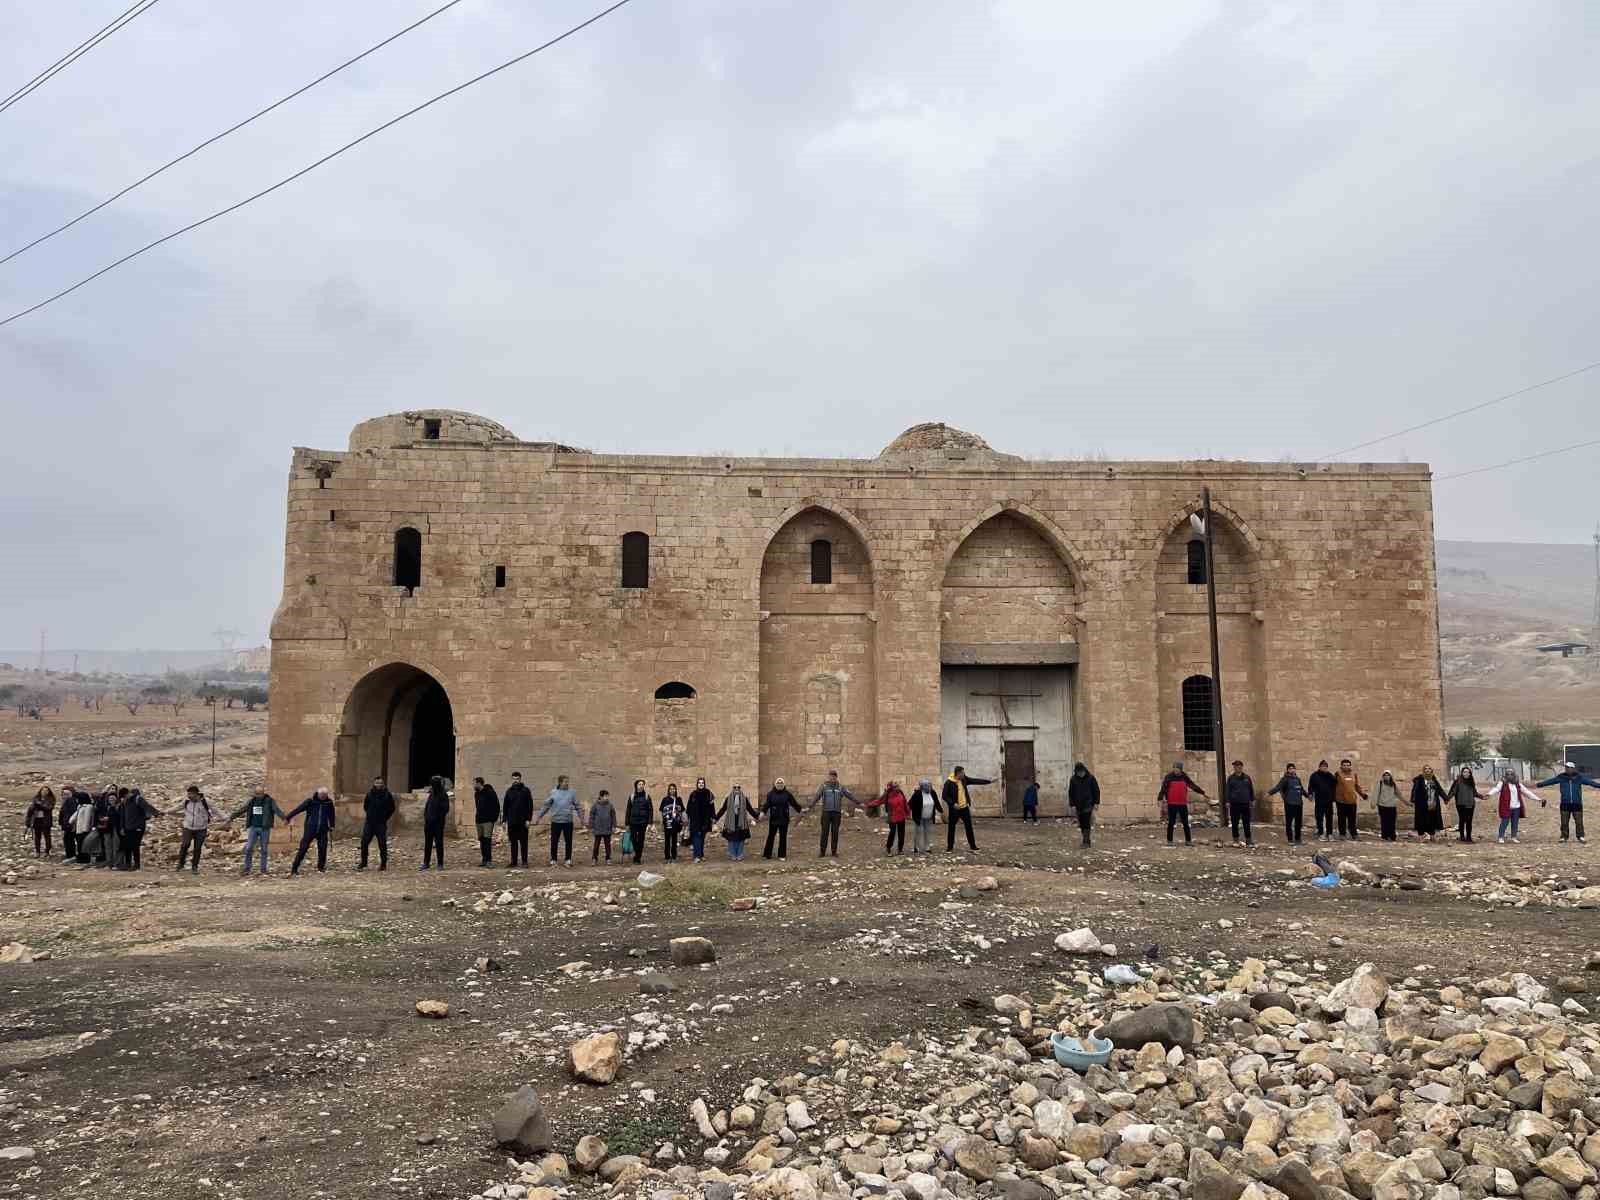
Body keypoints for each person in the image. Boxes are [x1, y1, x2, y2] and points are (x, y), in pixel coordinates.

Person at [229, 787, 288, 875]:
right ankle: (247, 868)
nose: (258, 796)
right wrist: (232, 816)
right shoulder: (252, 801)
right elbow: (243, 809)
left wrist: (284, 818)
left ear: (263, 793)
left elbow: (276, 810)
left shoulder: (269, 801)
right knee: (249, 848)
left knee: (264, 849)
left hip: (264, 828)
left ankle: (263, 869)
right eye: (257, 794)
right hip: (253, 827)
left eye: (260, 794)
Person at [1536, 762, 1597, 844]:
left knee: (1579, 821)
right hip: (1565, 803)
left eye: (1569, 767)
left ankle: (1580, 836)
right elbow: (1551, 781)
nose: (1567, 769)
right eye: (1566, 767)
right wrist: (1539, 785)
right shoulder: (1561, 777)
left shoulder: (1579, 778)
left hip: (1577, 803)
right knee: (1564, 822)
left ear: (1573, 768)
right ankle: (1564, 837)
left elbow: (1591, 783)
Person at [535, 774, 583, 867]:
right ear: (560, 782)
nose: (567, 783)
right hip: (556, 821)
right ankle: (553, 860)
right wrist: (539, 816)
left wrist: (581, 818)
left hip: (568, 821)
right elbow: (546, 806)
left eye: (567, 781)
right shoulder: (553, 792)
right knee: (554, 841)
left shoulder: (572, 793)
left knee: (568, 841)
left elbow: (578, 806)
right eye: (565, 782)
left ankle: (568, 860)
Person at [286, 787, 337, 875]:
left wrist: (332, 825)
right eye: (321, 795)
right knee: (303, 848)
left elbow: (331, 815)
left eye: (325, 795)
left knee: (323, 848)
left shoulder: (329, 803)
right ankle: (294, 868)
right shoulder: (310, 801)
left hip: (323, 829)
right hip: (310, 829)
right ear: (318, 794)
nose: (323, 796)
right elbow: (298, 809)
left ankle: (321, 867)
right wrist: (288, 817)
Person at [1158, 761, 1205, 846]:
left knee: (1185, 823)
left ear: (1181, 769)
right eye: (1174, 768)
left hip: (1182, 803)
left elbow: (1192, 785)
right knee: (1171, 822)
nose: (1175, 770)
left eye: (1177, 768)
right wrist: (1160, 798)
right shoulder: (1169, 777)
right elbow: (1163, 788)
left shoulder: (1184, 777)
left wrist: (1202, 792)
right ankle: (1169, 841)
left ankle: (1188, 841)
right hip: (1172, 803)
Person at [942, 766, 989, 853]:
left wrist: (988, 782)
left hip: (964, 808)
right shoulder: (948, 783)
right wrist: (952, 803)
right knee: (951, 828)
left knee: (969, 827)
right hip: (954, 809)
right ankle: (949, 847)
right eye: (962, 773)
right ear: (958, 773)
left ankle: (973, 846)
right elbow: (944, 796)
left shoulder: (963, 779)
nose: (964, 774)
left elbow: (974, 781)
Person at [813, 770, 856, 857]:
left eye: (834, 776)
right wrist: (810, 805)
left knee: (835, 832)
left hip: (836, 813)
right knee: (824, 832)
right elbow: (817, 796)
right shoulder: (824, 786)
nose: (832, 778)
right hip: (826, 812)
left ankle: (834, 851)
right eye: (831, 776)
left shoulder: (840, 787)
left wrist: (859, 802)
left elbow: (849, 795)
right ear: (829, 777)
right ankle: (822, 852)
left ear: (836, 777)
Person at [358, 776, 396, 870]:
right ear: (374, 784)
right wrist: (370, 815)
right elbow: (366, 806)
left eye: (380, 783)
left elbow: (392, 808)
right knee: (364, 843)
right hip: (369, 823)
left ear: (383, 784)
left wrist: (385, 817)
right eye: (377, 783)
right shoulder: (369, 794)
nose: (378, 785)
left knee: (382, 844)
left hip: (381, 824)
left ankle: (383, 864)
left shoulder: (387, 795)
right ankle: (364, 862)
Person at [121, 787, 163, 870]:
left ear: (128, 793)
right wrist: (123, 827)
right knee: (127, 846)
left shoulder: (138, 799)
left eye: (125, 796)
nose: (124, 798)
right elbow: (123, 815)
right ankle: (127, 864)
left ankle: (136, 865)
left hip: (138, 826)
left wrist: (156, 813)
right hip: (128, 827)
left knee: (135, 845)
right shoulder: (125, 802)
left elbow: (147, 806)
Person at [760, 778, 801, 860]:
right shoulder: (770, 794)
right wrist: (762, 812)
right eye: (778, 783)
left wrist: (800, 810)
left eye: (781, 783)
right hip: (774, 819)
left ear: (783, 784)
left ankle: (782, 855)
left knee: (783, 837)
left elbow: (794, 803)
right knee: (771, 836)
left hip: (784, 818)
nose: (779, 785)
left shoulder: (787, 794)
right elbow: (767, 805)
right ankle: (767, 854)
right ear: (775, 784)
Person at [175, 785, 214, 871]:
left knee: (197, 848)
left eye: (190, 794)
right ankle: (181, 864)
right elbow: (176, 808)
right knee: (185, 845)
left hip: (201, 829)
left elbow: (216, 810)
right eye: (188, 794)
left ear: (196, 793)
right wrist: (165, 812)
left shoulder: (205, 802)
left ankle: (194, 866)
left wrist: (227, 818)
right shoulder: (186, 801)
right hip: (188, 827)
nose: (189, 796)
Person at [1494, 770, 1539, 844]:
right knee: (1504, 822)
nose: (1509, 775)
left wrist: (1538, 799)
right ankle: (1501, 837)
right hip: (1507, 807)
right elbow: (1496, 789)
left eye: (1511, 774)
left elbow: (1527, 792)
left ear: (1514, 775)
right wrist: (1489, 794)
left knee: (1515, 823)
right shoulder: (1502, 783)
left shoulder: (1517, 784)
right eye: (1508, 774)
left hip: (1516, 807)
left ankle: (1514, 837)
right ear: (1505, 775)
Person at [716, 785, 757, 860]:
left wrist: (757, 816)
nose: (737, 789)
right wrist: (716, 818)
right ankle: (733, 854)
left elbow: (750, 809)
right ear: (733, 789)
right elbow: (723, 809)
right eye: (735, 787)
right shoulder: (728, 799)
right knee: (731, 838)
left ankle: (740, 854)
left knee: (741, 838)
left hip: (741, 821)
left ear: (740, 789)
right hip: (731, 821)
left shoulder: (744, 799)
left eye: (738, 787)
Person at [1267, 763, 1306, 844]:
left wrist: (1307, 796)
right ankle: (1290, 840)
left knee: (1298, 823)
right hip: (1289, 803)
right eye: (1290, 768)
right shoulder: (1285, 779)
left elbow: (1301, 789)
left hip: (1298, 803)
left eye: (1293, 768)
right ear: (1287, 770)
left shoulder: (1297, 779)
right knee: (1289, 822)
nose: (1292, 770)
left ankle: (1298, 839)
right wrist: (1269, 793)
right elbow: (1278, 787)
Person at [503, 771, 533, 869]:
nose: (515, 781)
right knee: (513, 842)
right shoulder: (509, 791)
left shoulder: (526, 791)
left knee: (524, 842)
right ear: (512, 779)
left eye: (517, 779)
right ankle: (514, 861)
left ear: (520, 779)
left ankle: (524, 861)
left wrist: (528, 819)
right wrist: (504, 820)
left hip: (523, 821)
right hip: (512, 821)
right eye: (514, 779)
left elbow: (530, 806)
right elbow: (505, 807)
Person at [1447, 766, 1484, 843]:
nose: (1466, 773)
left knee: (1469, 821)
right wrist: (1447, 799)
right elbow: (1453, 791)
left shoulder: (1471, 782)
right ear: (1462, 773)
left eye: (1468, 772)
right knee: (1462, 820)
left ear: (1470, 773)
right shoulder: (1458, 781)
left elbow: (1474, 793)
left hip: (1471, 804)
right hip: (1460, 804)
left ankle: (1469, 838)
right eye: (1464, 772)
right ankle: (1462, 837)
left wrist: (1482, 797)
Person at [420, 776, 450, 870]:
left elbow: (445, 809)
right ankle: (426, 863)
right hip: (429, 823)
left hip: (438, 824)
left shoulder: (443, 795)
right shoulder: (432, 794)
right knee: (428, 844)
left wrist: (437, 817)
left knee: (439, 844)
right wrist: (426, 817)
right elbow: (427, 807)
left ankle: (440, 864)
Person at [1409, 767, 1447, 841]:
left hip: (1432, 803)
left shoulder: (1434, 780)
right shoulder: (1419, 780)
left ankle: (1432, 835)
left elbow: (1440, 790)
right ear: (1423, 772)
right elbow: (1414, 790)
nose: (1427, 770)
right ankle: (1421, 836)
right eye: (1426, 769)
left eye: (1429, 769)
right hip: (1422, 804)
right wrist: (1413, 800)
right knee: (1421, 820)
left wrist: (1445, 798)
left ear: (1431, 772)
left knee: (1432, 820)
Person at [1067, 762, 1100, 847]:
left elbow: (1096, 790)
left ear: (1085, 770)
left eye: (1082, 772)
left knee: (1086, 822)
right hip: (1078, 805)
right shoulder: (1073, 779)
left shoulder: (1091, 778)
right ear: (1076, 772)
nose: (1081, 774)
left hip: (1088, 803)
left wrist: (1096, 802)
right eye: (1079, 772)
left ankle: (1086, 842)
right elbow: (1071, 792)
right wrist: (1072, 804)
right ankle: (1085, 839)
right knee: (1081, 823)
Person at [1225, 760, 1255, 847]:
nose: (1236, 768)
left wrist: (1252, 800)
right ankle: (1236, 840)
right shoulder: (1231, 778)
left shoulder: (1247, 778)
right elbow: (1227, 790)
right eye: (1235, 766)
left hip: (1245, 803)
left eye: (1237, 766)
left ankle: (1248, 840)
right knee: (1235, 823)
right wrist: (1227, 801)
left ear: (1241, 767)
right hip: (1235, 804)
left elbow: (1251, 789)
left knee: (1246, 822)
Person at [1334, 759, 1366, 840]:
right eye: (1344, 765)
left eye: (1348, 765)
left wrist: (1363, 794)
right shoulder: (1337, 774)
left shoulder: (1354, 775)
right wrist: (1333, 797)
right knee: (1342, 819)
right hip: (1341, 801)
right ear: (1341, 766)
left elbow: (1357, 786)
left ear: (1350, 766)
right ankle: (1342, 834)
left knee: (1352, 819)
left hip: (1352, 800)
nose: (1346, 767)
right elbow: (1333, 786)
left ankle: (1354, 834)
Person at [907, 779, 942, 854]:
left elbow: (936, 802)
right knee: (918, 832)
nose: (929, 787)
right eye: (927, 786)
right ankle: (917, 847)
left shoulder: (932, 792)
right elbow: (910, 804)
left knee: (928, 832)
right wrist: (907, 812)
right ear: (922, 787)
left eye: (929, 786)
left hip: (929, 817)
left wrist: (940, 810)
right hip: (919, 817)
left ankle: (927, 847)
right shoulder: (917, 793)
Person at [686, 778, 716, 862]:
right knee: (696, 838)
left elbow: (712, 806)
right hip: (695, 820)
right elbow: (689, 807)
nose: (701, 784)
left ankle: (701, 854)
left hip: (705, 820)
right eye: (699, 783)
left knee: (702, 838)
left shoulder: (709, 793)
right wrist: (688, 818)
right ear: (697, 784)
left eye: (702, 783)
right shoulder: (693, 794)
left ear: (704, 784)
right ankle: (696, 856)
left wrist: (713, 817)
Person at [472, 776, 501, 867]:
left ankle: (489, 861)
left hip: (488, 821)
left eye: (474, 783)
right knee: (482, 840)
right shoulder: (476, 794)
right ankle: (484, 860)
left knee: (487, 840)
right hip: (479, 820)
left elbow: (496, 806)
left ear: (479, 783)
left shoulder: (490, 793)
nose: (473, 785)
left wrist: (493, 819)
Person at [1308, 760, 1338, 841]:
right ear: (1319, 767)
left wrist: (1334, 797)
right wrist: (1310, 794)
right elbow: (1311, 786)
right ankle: (1321, 833)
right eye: (1322, 766)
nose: (1324, 768)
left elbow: (1334, 785)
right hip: (1319, 799)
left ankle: (1329, 833)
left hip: (1329, 800)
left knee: (1329, 817)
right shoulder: (1314, 775)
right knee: (1319, 817)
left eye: (1325, 767)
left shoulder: (1330, 775)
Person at [625, 780, 653, 864]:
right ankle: (637, 854)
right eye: (639, 784)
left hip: (643, 822)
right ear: (636, 786)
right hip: (633, 821)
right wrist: (627, 823)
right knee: (634, 839)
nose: (641, 785)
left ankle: (637, 858)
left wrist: (650, 822)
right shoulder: (632, 796)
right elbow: (628, 810)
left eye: (642, 784)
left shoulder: (647, 796)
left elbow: (650, 810)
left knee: (641, 840)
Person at [24, 787, 54, 857]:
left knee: (47, 836)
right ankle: (37, 851)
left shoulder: (50, 799)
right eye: (43, 790)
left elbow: (48, 808)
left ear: (49, 792)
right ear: (40, 791)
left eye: (46, 791)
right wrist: (28, 821)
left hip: (46, 820)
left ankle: (47, 851)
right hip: (36, 819)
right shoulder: (36, 799)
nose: (44, 792)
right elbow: (30, 810)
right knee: (37, 836)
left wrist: (39, 805)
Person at [1373, 771, 1403, 841]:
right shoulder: (1380, 784)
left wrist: (1407, 802)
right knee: (1384, 822)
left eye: (1388, 775)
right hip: (1382, 806)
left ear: (1390, 776)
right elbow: (1376, 794)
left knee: (1392, 822)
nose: (1386, 776)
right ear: (1383, 777)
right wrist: (1373, 803)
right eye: (1385, 775)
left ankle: (1392, 836)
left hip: (1392, 806)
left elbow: (1399, 794)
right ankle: (1385, 836)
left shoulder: (1393, 784)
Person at [589, 789, 617, 862]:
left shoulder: (610, 805)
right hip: (597, 828)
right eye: (605, 796)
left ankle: (608, 858)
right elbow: (591, 816)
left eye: (607, 796)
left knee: (607, 845)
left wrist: (614, 826)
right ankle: (594, 858)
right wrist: (591, 827)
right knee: (596, 845)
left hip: (607, 828)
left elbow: (613, 816)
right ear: (601, 797)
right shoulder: (595, 805)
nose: (607, 797)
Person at [659, 783, 685, 862]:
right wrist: (661, 823)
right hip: (667, 823)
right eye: (670, 789)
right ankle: (667, 856)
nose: (672, 790)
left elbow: (682, 811)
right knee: (667, 840)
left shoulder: (679, 799)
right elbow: (662, 811)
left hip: (675, 823)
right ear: (668, 790)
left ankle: (674, 856)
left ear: (676, 790)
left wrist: (683, 821)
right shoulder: (665, 799)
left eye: (673, 789)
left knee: (674, 840)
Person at [881, 780, 908, 854]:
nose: (897, 787)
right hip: (892, 816)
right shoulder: (888, 794)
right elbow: (880, 801)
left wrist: (907, 811)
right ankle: (888, 848)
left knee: (901, 833)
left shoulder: (900, 792)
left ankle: (900, 849)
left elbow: (905, 802)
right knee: (892, 832)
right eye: (895, 786)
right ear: (892, 788)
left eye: (898, 786)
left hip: (901, 815)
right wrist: (869, 804)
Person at [58, 786, 80, 861]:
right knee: (68, 839)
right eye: (63, 794)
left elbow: (73, 814)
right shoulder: (66, 802)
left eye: (67, 794)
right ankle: (71, 855)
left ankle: (71, 856)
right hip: (67, 824)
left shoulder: (72, 801)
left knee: (69, 840)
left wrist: (72, 824)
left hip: (71, 824)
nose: (65, 796)